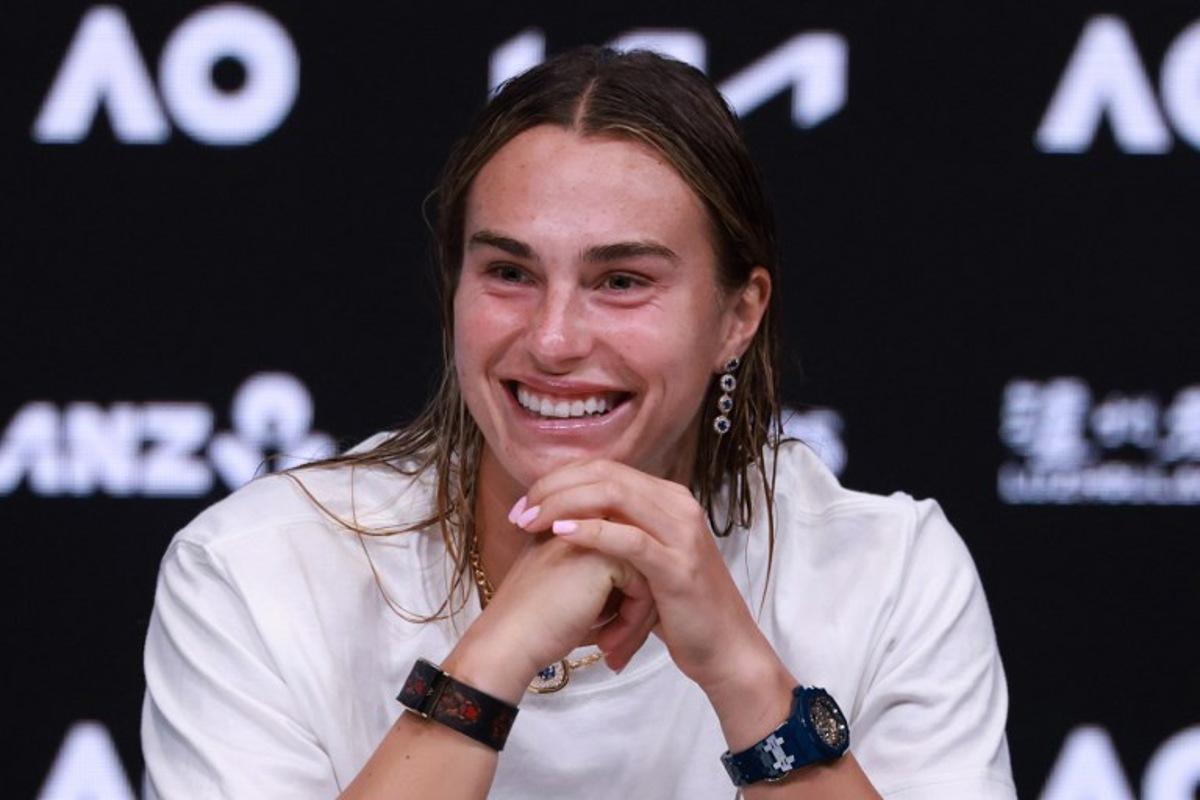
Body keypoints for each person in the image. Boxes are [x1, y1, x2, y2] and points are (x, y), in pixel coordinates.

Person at [141, 47, 1016, 799]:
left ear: (737, 317)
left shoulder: (888, 572)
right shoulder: (256, 571)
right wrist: (495, 656)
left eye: (622, 281)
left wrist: (743, 674)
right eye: (510, 273)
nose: (553, 339)